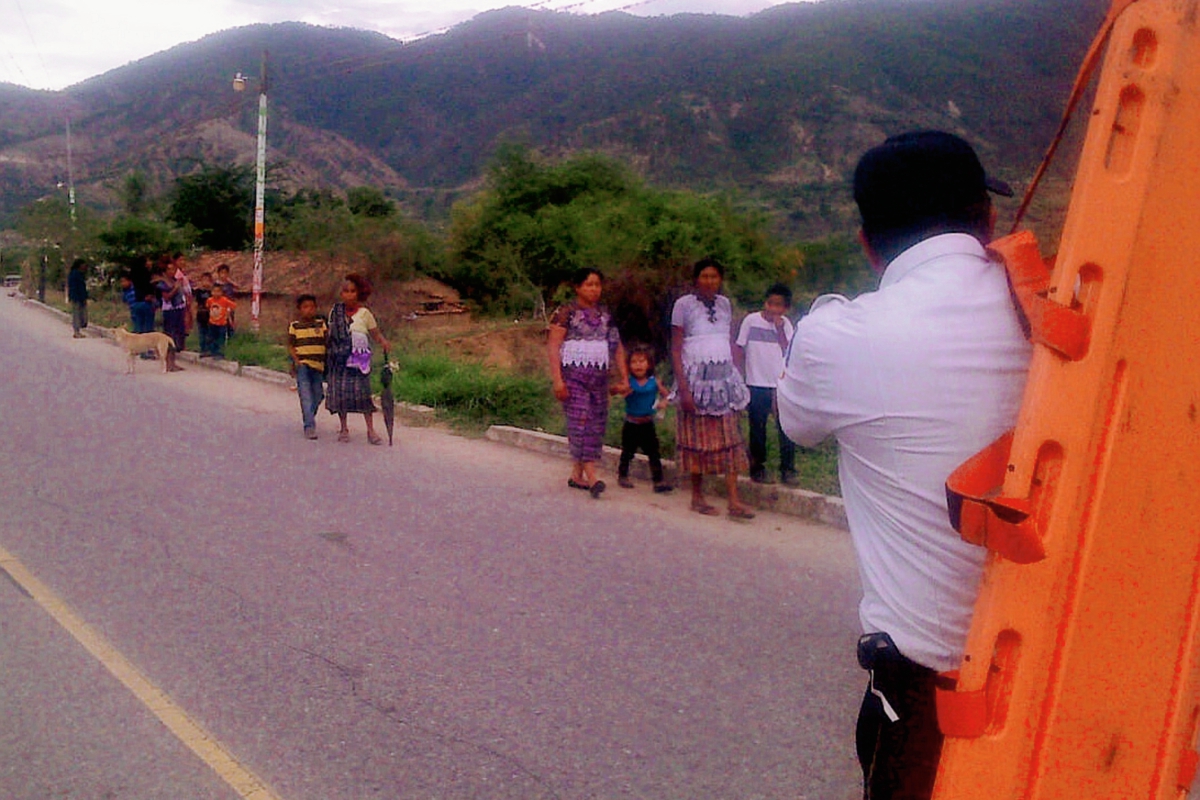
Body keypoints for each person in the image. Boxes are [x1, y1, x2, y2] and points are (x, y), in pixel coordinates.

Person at [776, 130, 1031, 800]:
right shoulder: (1063, 317)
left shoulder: (838, 336)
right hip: (1078, 675)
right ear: (990, 218)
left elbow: (796, 425)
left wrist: (827, 311)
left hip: (931, 704)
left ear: (867, 243)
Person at [669, 257, 754, 520]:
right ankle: (697, 497)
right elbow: (675, 347)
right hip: (695, 380)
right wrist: (683, 388)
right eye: (704, 276)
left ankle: (733, 500)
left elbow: (728, 342)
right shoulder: (683, 305)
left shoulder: (725, 305)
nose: (709, 281)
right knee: (696, 439)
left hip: (723, 381)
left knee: (731, 439)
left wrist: (736, 375)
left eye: (714, 276)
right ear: (696, 279)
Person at [547, 267, 627, 498]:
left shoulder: (605, 315)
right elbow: (553, 347)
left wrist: (624, 377)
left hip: (599, 380)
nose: (594, 289)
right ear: (578, 287)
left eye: (597, 285)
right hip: (574, 378)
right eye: (589, 284)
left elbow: (617, 347)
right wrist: (557, 381)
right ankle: (593, 477)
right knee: (581, 423)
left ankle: (576, 475)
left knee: (596, 423)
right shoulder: (566, 313)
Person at [734, 283, 798, 485]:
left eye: (779, 306)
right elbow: (739, 348)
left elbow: (788, 350)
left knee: (785, 428)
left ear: (785, 308)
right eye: (771, 304)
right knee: (757, 427)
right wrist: (739, 376)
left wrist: (779, 328)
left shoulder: (786, 324)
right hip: (756, 382)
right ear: (765, 302)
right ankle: (757, 467)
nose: (773, 309)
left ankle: (787, 469)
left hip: (780, 385)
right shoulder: (751, 321)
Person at [326, 273, 390, 444]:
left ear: (358, 293)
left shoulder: (365, 314)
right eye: (345, 291)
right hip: (339, 359)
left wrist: (383, 342)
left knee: (363, 394)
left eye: (352, 291)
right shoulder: (336, 312)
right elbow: (330, 334)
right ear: (341, 294)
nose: (348, 295)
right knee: (341, 395)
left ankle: (371, 431)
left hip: (359, 359)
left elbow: (375, 333)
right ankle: (344, 429)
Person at [617, 344, 672, 493]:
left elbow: (668, 395)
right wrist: (622, 390)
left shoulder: (654, 382)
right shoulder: (628, 382)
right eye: (634, 362)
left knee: (654, 453)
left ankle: (658, 481)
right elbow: (616, 391)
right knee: (628, 452)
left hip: (647, 424)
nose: (638, 365)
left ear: (649, 364)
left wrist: (663, 403)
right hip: (631, 423)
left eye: (641, 361)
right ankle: (622, 475)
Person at [288, 293, 328, 440]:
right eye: (305, 307)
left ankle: (308, 415)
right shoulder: (295, 326)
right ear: (299, 309)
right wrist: (296, 361)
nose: (309, 310)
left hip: (318, 366)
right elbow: (291, 345)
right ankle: (309, 426)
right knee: (305, 395)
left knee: (318, 395)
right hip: (303, 366)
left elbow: (327, 342)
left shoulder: (321, 324)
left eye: (312, 307)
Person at [152, 264, 184, 371]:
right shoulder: (162, 284)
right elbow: (166, 298)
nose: (173, 271)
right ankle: (168, 363)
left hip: (178, 309)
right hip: (169, 311)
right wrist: (175, 288)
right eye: (170, 269)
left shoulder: (175, 280)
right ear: (165, 272)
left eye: (174, 269)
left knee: (176, 337)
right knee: (170, 336)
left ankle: (173, 362)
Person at [205, 284, 237, 359]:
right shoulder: (210, 300)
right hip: (212, 322)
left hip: (222, 323)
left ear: (221, 292)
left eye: (218, 291)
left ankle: (220, 353)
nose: (216, 293)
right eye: (214, 291)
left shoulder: (224, 300)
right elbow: (208, 307)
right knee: (212, 337)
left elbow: (233, 305)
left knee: (221, 338)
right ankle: (213, 352)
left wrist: (228, 311)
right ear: (211, 292)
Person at [67, 258, 88, 338]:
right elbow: (75, 287)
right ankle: (76, 332)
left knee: (82, 314)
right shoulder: (75, 274)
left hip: (80, 296)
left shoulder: (80, 274)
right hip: (76, 297)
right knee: (76, 314)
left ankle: (79, 329)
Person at [194, 272, 214, 357]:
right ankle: (203, 349)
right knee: (202, 333)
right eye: (204, 280)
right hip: (201, 315)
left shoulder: (212, 292)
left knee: (210, 333)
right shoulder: (198, 292)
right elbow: (196, 303)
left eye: (208, 281)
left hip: (210, 316)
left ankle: (210, 349)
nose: (206, 283)